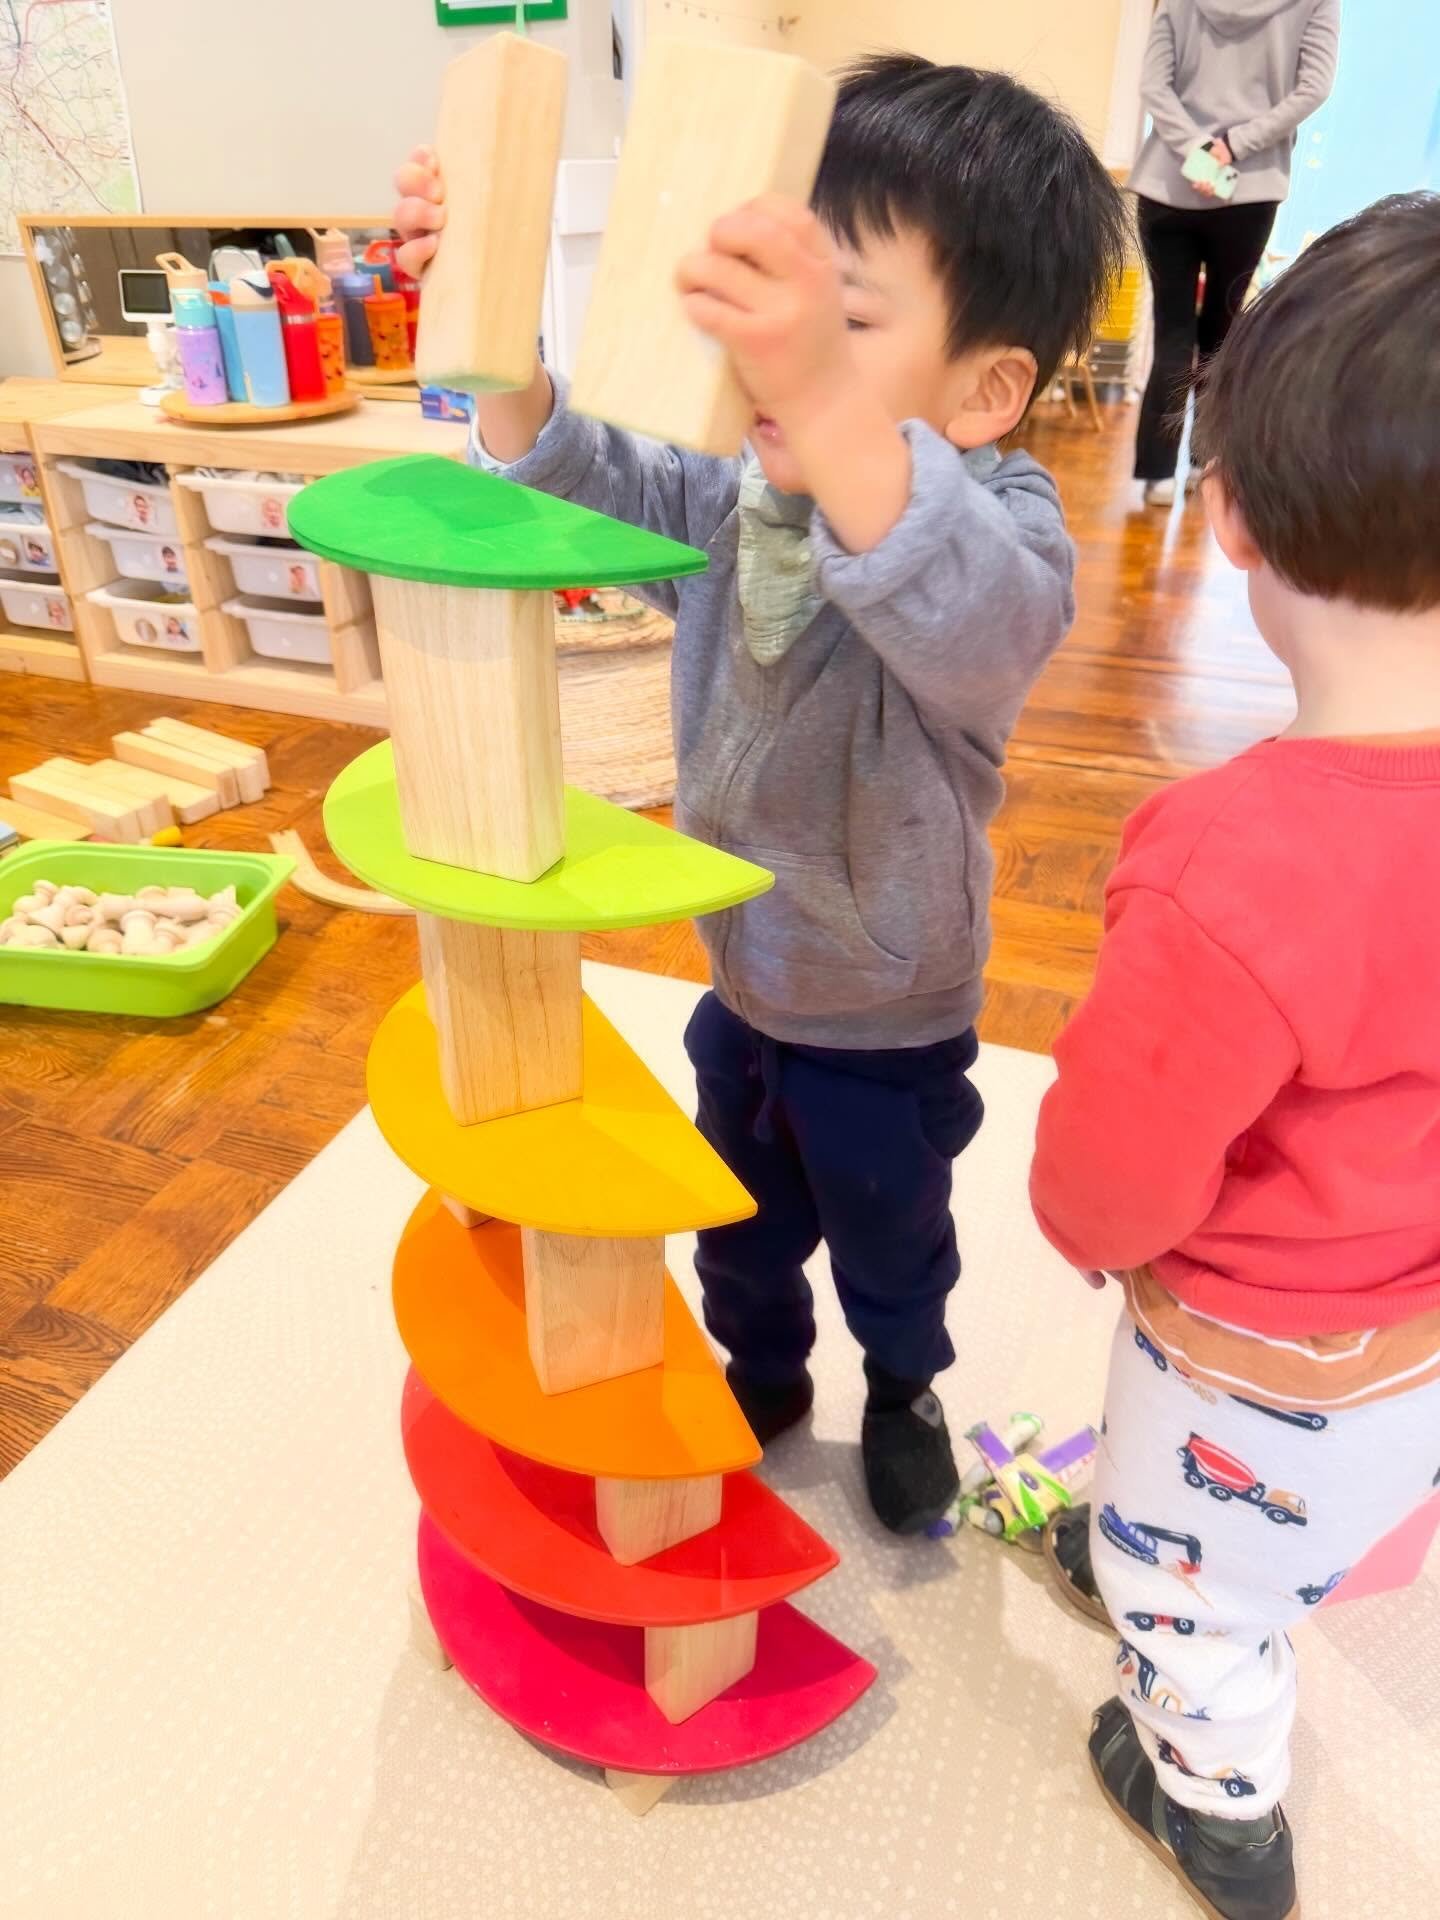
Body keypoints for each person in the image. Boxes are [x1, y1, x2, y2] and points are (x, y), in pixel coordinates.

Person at [394, 56, 1129, 1533]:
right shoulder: (748, 481)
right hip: (738, 973)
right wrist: (503, 363)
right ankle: (765, 1367)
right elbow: (587, 467)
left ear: (988, 392)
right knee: (737, 1222)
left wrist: (823, 405)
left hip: (888, 1010)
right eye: (765, 309)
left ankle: (906, 1384)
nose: (772, 366)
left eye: (840, 322)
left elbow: (966, 613)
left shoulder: (1006, 536)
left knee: (890, 1240)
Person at [1030, 193, 1440, 1920]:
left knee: (1194, 1602)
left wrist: (1093, 1234)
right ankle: (1288, 1541)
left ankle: (1219, 1809)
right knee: (1325, 1496)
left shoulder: (1228, 865)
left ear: (1238, 519)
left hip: (1255, 1347)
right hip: (1416, 1332)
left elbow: (1110, 1180)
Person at [1128, 0, 1339, 507]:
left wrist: (1197, 146)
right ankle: (1206, 467)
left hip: (1167, 183)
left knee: (1173, 333)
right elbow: (1314, 88)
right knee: (1221, 333)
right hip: (1251, 187)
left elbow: (1154, 85)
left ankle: (1156, 477)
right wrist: (1235, 145)